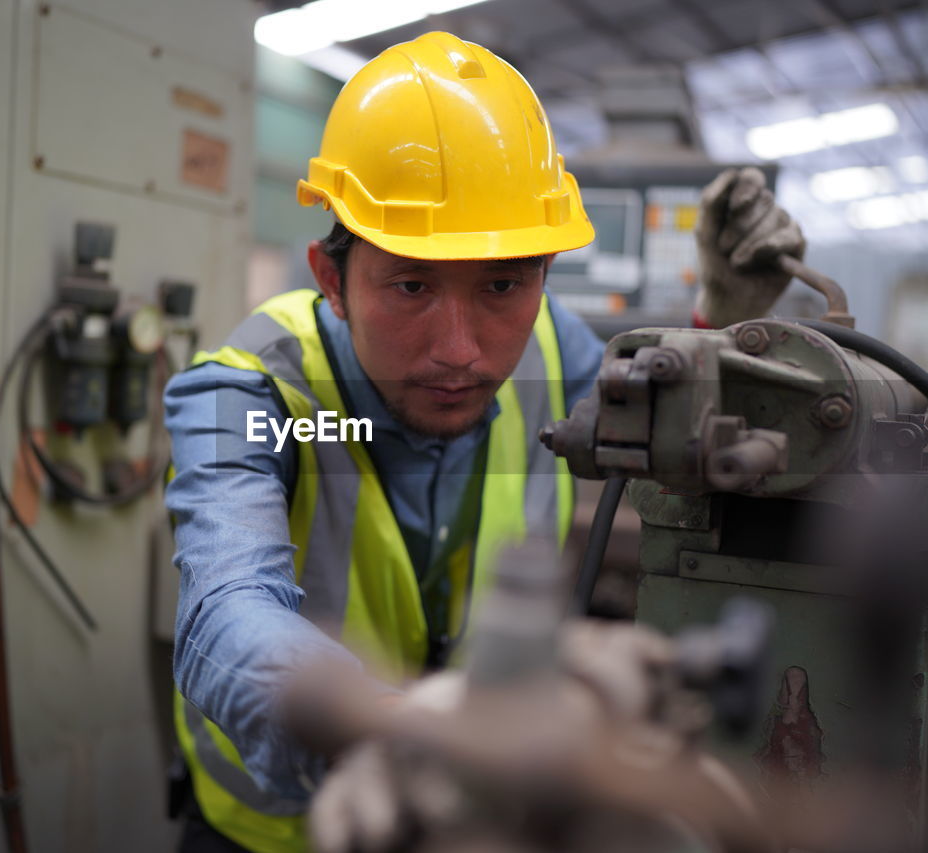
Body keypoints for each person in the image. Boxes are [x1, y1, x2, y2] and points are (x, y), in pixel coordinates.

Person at [163, 31, 804, 853]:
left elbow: (673, 422)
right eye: (411, 284)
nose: (463, 349)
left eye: (503, 282)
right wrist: (395, 728)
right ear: (332, 279)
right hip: (273, 833)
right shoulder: (249, 391)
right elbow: (225, 612)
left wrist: (725, 324)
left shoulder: (553, 345)